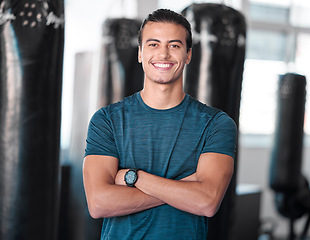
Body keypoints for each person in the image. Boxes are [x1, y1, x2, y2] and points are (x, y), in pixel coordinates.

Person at [83, 9, 237, 240]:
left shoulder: (216, 124)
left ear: (188, 55)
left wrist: (133, 178)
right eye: (153, 44)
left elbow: (206, 202)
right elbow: (98, 203)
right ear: (140, 53)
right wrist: (183, 188)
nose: (163, 54)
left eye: (174, 45)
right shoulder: (106, 120)